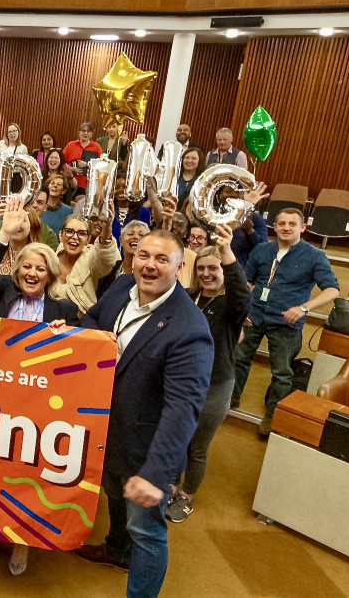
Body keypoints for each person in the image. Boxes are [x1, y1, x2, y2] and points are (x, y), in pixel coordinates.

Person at [74, 229, 214, 597]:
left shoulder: (189, 329)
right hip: (106, 432)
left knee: (147, 532)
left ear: (180, 268)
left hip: (146, 451)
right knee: (114, 498)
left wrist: (155, 475)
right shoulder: (121, 287)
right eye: (143, 255)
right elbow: (92, 319)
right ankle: (117, 551)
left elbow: (183, 409)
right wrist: (79, 338)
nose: (149, 265)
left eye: (162, 259)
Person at [0, 196, 79, 577]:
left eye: (40, 269)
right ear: (17, 274)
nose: (32, 274)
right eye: (26, 268)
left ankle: (21, 543)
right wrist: (2, 235)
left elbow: (83, 355)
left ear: (51, 275)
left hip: (39, 411)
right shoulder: (2, 294)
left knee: (28, 476)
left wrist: (68, 339)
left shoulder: (65, 313)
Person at [165, 225, 250, 523]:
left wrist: (227, 254)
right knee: (177, 437)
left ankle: (186, 495)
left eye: (213, 268)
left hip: (215, 384)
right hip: (183, 382)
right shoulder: (189, 297)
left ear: (223, 269)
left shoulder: (232, 306)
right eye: (201, 268)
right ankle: (171, 485)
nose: (206, 273)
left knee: (197, 446)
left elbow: (242, 293)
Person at [231, 208, 340, 432]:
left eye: (292, 224)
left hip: (286, 321)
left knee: (282, 372)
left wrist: (304, 308)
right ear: (275, 226)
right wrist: (242, 311)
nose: (286, 228)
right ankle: (230, 399)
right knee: (238, 359)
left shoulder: (314, 256)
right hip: (254, 315)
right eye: (281, 223)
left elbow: (332, 291)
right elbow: (247, 284)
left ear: (302, 227)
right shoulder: (261, 250)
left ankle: (274, 413)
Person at [48, 215, 120, 316]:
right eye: (69, 231)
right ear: (61, 235)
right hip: (49, 320)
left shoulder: (91, 259)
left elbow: (105, 259)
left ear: (88, 239)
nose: (75, 237)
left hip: (81, 323)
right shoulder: (49, 260)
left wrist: (106, 231)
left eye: (82, 233)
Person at [96, 220, 149, 300]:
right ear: (121, 241)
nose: (135, 237)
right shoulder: (110, 269)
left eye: (141, 235)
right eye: (130, 234)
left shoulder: (149, 273)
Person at [63, 122, 103, 190]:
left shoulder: (97, 147)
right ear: (79, 133)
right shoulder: (70, 145)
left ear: (92, 134)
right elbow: (62, 161)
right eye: (83, 131)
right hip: (69, 183)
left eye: (88, 131)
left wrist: (87, 164)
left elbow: (101, 165)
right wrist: (71, 169)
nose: (86, 133)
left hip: (88, 185)